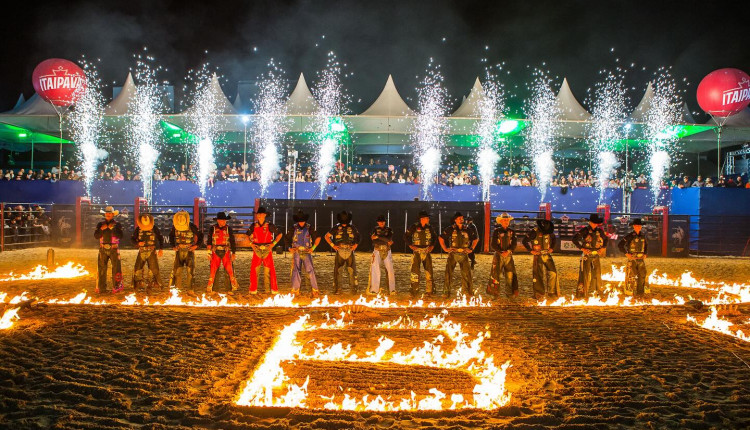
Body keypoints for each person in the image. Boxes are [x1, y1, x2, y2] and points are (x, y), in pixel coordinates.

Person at [439, 212, 479, 298]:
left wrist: (471, 249)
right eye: (459, 218)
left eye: (462, 218)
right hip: (453, 253)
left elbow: (476, 239)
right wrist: (445, 249)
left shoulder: (467, 229)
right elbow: (441, 238)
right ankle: (446, 292)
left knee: (466, 274)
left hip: (464, 254)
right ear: (455, 220)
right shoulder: (450, 229)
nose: (461, 220)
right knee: (448, 273)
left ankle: (467, 292)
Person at [572, 214, 609, 298]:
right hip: (587, 255)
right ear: (590, 222)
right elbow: (574, 239)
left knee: (597, 274)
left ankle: (597, 293)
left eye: (596, 223)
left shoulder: (599, 231)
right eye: (594, 223)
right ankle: (582, 294)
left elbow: (606, 239)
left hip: (595, 255)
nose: (595, 224)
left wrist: (603, 247)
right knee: (584, 274)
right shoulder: (584, 230)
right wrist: (582, 248)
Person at [247, 207, 282, 295]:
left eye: (262, 214)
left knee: (269, 270)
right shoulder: (253, 225)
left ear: (265, 215)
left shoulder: (270, 225)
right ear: (257, 215)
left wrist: (273, 244)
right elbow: (246, 235)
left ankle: (271, 290)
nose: (260, 215)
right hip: (257, 249)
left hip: (267, 249)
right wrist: (251, 244)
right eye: (258, 214)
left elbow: (280, 234)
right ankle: (253, 290)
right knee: (254, 270)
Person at [522, 219, 559, 300]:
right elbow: (524, 241)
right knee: (538, 274)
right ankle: (539, 293)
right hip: (538, 255)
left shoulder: (549, 232)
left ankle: (551, 292)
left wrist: (552, 248)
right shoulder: (534, 232)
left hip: (547, 254)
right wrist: (531, 250)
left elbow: (554, 239)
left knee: (553, 273)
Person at [325, 211, 360, 294]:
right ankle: (338, 289)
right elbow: (326, 236)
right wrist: (333, 245)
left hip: (349, 249)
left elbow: (358, 236)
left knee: (351, 271)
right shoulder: (336, 227)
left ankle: (353, 289)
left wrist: (356, 245)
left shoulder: (352, 227)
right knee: (338, 271)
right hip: (340, 249)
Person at [287, 210, 321, 297]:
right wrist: (289, 248)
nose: (301, 223)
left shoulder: (310, 227)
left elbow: (318, 238)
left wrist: (313, 248)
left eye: (302, 221)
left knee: (310, 270)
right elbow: (287, 238)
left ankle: (315, 290)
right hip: (297, 251)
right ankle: (295, 290)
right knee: (296, 270)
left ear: (305, 220)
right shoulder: (293, 228)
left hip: (306, 251)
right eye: (300, 221)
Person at [168, 210, 203, 291]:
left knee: (190, 271)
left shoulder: (191, 226)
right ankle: (177, 289)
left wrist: (196, 246)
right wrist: (173, 246)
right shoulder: (175, 227)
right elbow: (171, 236)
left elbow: (200, 235)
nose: (180, 220)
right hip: (179, 250)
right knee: (177, 270)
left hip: (189, 250)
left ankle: (190, 289)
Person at [404, 210, 436, 298]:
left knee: (429, 271)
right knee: (415, 271)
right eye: (426, 218)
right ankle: (414, 291)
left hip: (426, 251)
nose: (428, 219)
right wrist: (410, 245)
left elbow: (434, 237)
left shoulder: (429, 227)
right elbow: (406, 236)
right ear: (422, 219)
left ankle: (429, 291)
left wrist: (432, 246)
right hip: (417, 251)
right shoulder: (414, 227)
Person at [93, 206, 124, 294]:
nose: (108, 214)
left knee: (116, 268)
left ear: (113, 215)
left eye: (110, 213)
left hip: (114, 248)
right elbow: (96, 236)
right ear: (105, 214)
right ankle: (101, 288)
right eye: (107, 213)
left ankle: (116, 286)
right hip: (103, 248)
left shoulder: (117, 225)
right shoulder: (100, 224)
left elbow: (121, 236)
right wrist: (101, 230)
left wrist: (112, 229)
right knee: (102, 268)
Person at [487, 213, 519, 298]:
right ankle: (495, 293)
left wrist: (508, 251)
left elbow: (514, 244)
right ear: (501, 221)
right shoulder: (497, 231)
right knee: (496, 274)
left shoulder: (512, 232)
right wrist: (501, 252)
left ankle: (509, 293)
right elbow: (493, 244)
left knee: (509, 275)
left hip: (507, 255)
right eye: (504, 220)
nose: (506, 222)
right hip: (499, 255)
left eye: (507, 220)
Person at [206, 212, 239, 292]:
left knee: (229, 271)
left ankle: (230, 289)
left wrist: (233, 253)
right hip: (215, 251)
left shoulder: (228, 229)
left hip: (226, 251)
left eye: (224, 220)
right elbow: (209, 241)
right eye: (221, 220)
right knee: (213, 271)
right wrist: (208, 252)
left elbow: (232, 241)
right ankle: (213, 289)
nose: (223, 222)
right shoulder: (212, 228)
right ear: (218, 220)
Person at [131, 213, 164, 293]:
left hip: (151, 251)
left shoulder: (154, 228)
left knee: (153, 269)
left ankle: (150, 285)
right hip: (142, 250)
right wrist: (138, 244)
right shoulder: (138, 229)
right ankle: (138, 285)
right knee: (138, 268)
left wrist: (161, 249)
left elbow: (160, 238)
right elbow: (132, 239)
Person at [618, 218, 649, 296]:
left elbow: (646, 246)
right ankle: (629, 291)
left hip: (641, 259)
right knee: (631, 276)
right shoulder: (629, 236)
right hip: (632, 259)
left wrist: (645, 253)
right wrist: (626, 253)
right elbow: (620, 245)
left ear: (641, 227)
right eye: (636, 226)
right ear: (634, 226)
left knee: (642, 275)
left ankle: (640, 292)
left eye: (639, 226)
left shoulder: (643, 236)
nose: (638, 227)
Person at [368, 215, 395, 295]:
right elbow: (373, 239)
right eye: (380, 221)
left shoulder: (389, 229)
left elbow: (389, 239)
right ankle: (374, 289)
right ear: (377, 222)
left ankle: (392, 289)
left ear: (385, 222)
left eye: (383, 221)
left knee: (390, 269)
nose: (381, 223)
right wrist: (384, 239)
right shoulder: (375, 229)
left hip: (387, 250)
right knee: (375, 269)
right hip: (377, 249)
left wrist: (378, 237)